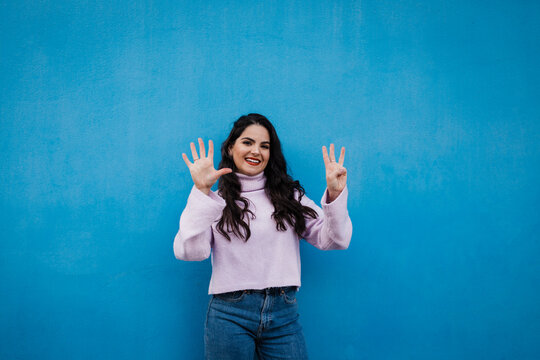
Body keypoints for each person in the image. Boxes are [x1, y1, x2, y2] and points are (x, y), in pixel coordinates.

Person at [173, 113, 352, 360]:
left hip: (283, 313)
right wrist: (202, 192)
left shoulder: (289, 197)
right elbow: (190, 252)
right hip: (229, 315)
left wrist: (335, 194)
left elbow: (335, 239)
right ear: (231, 147)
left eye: (264, 146)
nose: (256, 151)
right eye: (247, 142)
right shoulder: (217, 201)